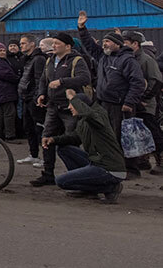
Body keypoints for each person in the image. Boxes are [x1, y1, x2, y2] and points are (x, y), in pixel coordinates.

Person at [77, 11, 145, 176]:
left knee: (124, 136)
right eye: (104, 42)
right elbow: (89, 45)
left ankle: (131, 169)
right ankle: (114, 166)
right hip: (103, 103)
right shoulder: (103, 56)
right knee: (107, 136)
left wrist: (129, 102)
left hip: (120, 105)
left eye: (108, 41)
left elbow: (137, 83)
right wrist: (82, 28)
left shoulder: (127, 60)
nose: (104, 44)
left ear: (118, 44)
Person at [43, 89, 126, 204]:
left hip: (109, 168)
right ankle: (87, 188)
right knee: (64, 149)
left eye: (71, 104)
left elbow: (88, 113)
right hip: (97, 162)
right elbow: (75, 137)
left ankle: (110, 188)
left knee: (61, 181)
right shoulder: (84, 121)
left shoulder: (97, 115)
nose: (69, 107)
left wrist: (72, 97)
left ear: (81, 105)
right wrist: (53, 140)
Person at [30, 32, 91, 187]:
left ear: (68, 46)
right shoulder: (50, 60)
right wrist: (41, 94)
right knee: (47, 138)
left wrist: (62, 82)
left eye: (57, 43)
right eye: (53, 43)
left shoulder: (77, 60)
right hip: (52, 106)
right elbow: (44, 79)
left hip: (70, 108)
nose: (54, 46)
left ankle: (77, 175)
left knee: (70, 141)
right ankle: (48, 174)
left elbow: (85, 79)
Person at [123, 30, 163, 175]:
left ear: (135, 44)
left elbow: (156, 81)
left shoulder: (146, 60)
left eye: (125, 43)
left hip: (146, 105)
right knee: (137, 133)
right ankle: (142, 161)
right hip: (133, 102)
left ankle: (161, 160)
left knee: (153, 131)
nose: (123, 45)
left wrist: (144, 99)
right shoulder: (127, 60)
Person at [17, 34, 48, 167]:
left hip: (33, 100)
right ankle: (33, 155)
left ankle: (46, 159)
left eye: (23, 43)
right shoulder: (27, 59)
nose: (21, 46)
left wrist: (36, 97)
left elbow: (39, 80)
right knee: (28, 128)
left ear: (32, 44)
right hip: (25, 98)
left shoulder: (39, 59)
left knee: (39, 128)